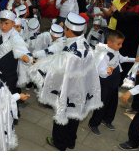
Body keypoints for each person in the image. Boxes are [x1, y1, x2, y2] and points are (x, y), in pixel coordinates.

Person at [29, 12, 102, 151]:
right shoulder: (85, 44)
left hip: (68, 90)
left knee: (63, 115)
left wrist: (37, 65)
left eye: (65, 30)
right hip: (80, 89)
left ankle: (59, 142)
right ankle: (70, 141)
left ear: (69, 30)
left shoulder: (70, 51)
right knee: (74, 117)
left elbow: (55, 70)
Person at [88, 30, 138, 135]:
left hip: (115, 79)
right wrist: (107, 71)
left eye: (121, 43)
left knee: (112, 102)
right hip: (106, 81)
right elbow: (101, 72)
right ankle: (93, 123)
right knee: (102, 103)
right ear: (109, 42)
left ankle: (107, 119)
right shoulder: (103, 53)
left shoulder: (115, 50)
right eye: (119, 43)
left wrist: (135, 59)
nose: (121, 46)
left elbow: (122, 59)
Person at [0, 10, 32, 123]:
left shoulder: (16, 38)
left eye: (6, 23)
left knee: (11, 94)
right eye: (1, 23)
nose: (3, 26)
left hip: (10, 74)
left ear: (13, 23)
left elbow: (25, 53)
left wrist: (26, 57)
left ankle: (12, 117)